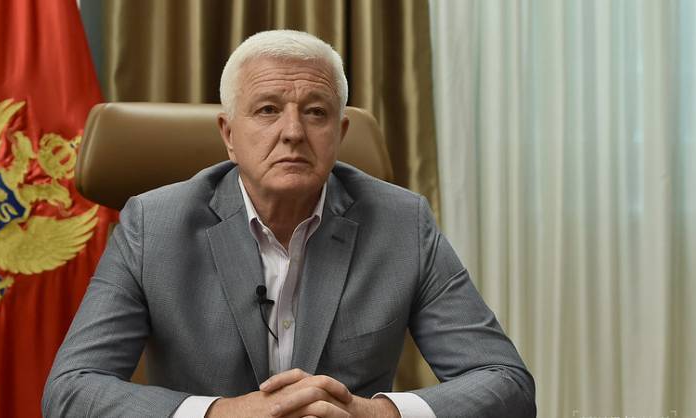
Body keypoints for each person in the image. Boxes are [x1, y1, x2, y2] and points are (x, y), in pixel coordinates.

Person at [43, 30, 536, 418]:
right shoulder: (152, 225)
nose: (294, 131)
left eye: (316, 112)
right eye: (268, 110)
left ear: (340, 132)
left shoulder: (402, 222)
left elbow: (506, 382)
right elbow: (71, 390)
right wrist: (221, 413)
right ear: (229, 134)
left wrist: (378, 413)